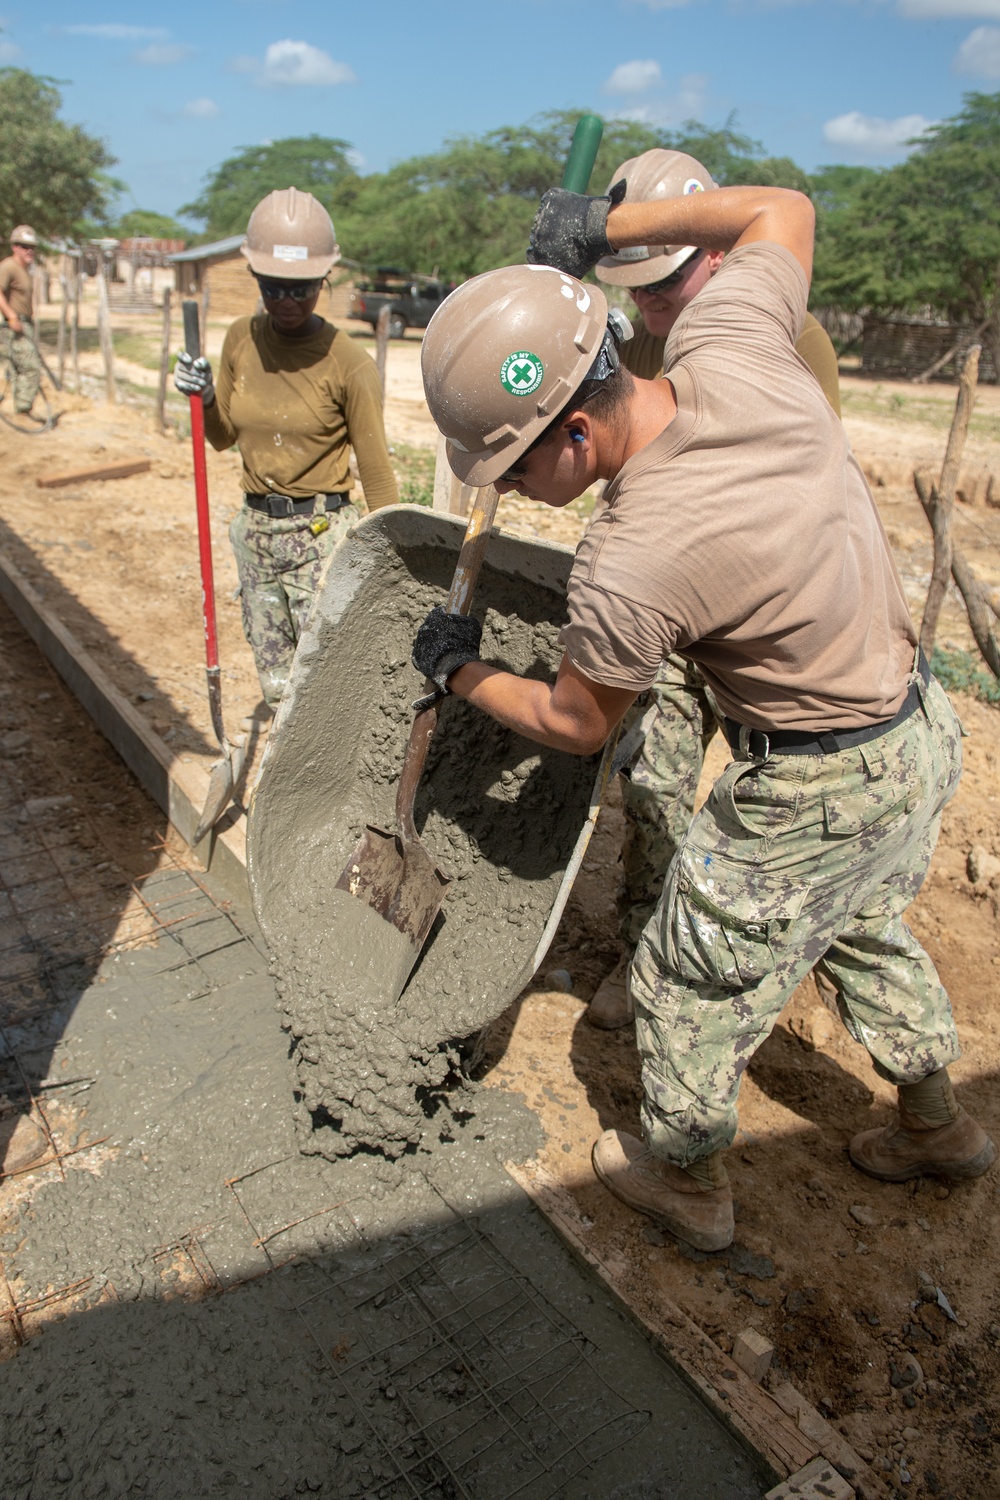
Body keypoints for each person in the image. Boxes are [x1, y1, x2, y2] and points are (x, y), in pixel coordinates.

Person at [410, 179, 995, 1253]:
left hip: (813, 783)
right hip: (913, 731)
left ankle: (685, 1181)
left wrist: (459, 672)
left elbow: (576, 720)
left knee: (685, 971)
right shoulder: (733, 341)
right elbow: (784, 210)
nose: (510, 489)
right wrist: (606, 227)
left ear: (575, 431)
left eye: (512, 465)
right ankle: (936, 1121)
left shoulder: (630, 563)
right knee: (858, 921)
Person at [588, 151, 841, 1029]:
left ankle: (781, 972)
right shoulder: (641, 339)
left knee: (801, 817)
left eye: (666, 283)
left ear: (720, 252)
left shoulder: (786, 339)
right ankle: (640, 953)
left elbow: (797, 495)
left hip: (757, 631)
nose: (649, 305)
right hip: (672, 613)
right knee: (653, 790)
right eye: (637, 291)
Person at [175, 188, 398, 709]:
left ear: (324, 281)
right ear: (255, 278)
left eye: (301, 289)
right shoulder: (240, 340)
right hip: (255, 535)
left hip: (320, 536)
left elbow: (378, 473)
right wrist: (206, 397)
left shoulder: (349, 363)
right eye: (273, 288)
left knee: (327, 676)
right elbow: (223, 436)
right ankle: (289, 778)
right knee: (276, 680)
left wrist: (394, 563)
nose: (287, 303)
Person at [0, 225, 42, 419]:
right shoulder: (8, 266)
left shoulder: (25, 269)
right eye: (24, 246)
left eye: (32, 246)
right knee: (30, 367)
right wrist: (11, 316)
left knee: (19, 369)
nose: (29, 250)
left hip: (24, 322)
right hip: (14, 324)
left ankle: (21, 411)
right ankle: (24, 408)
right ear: (14, 247)